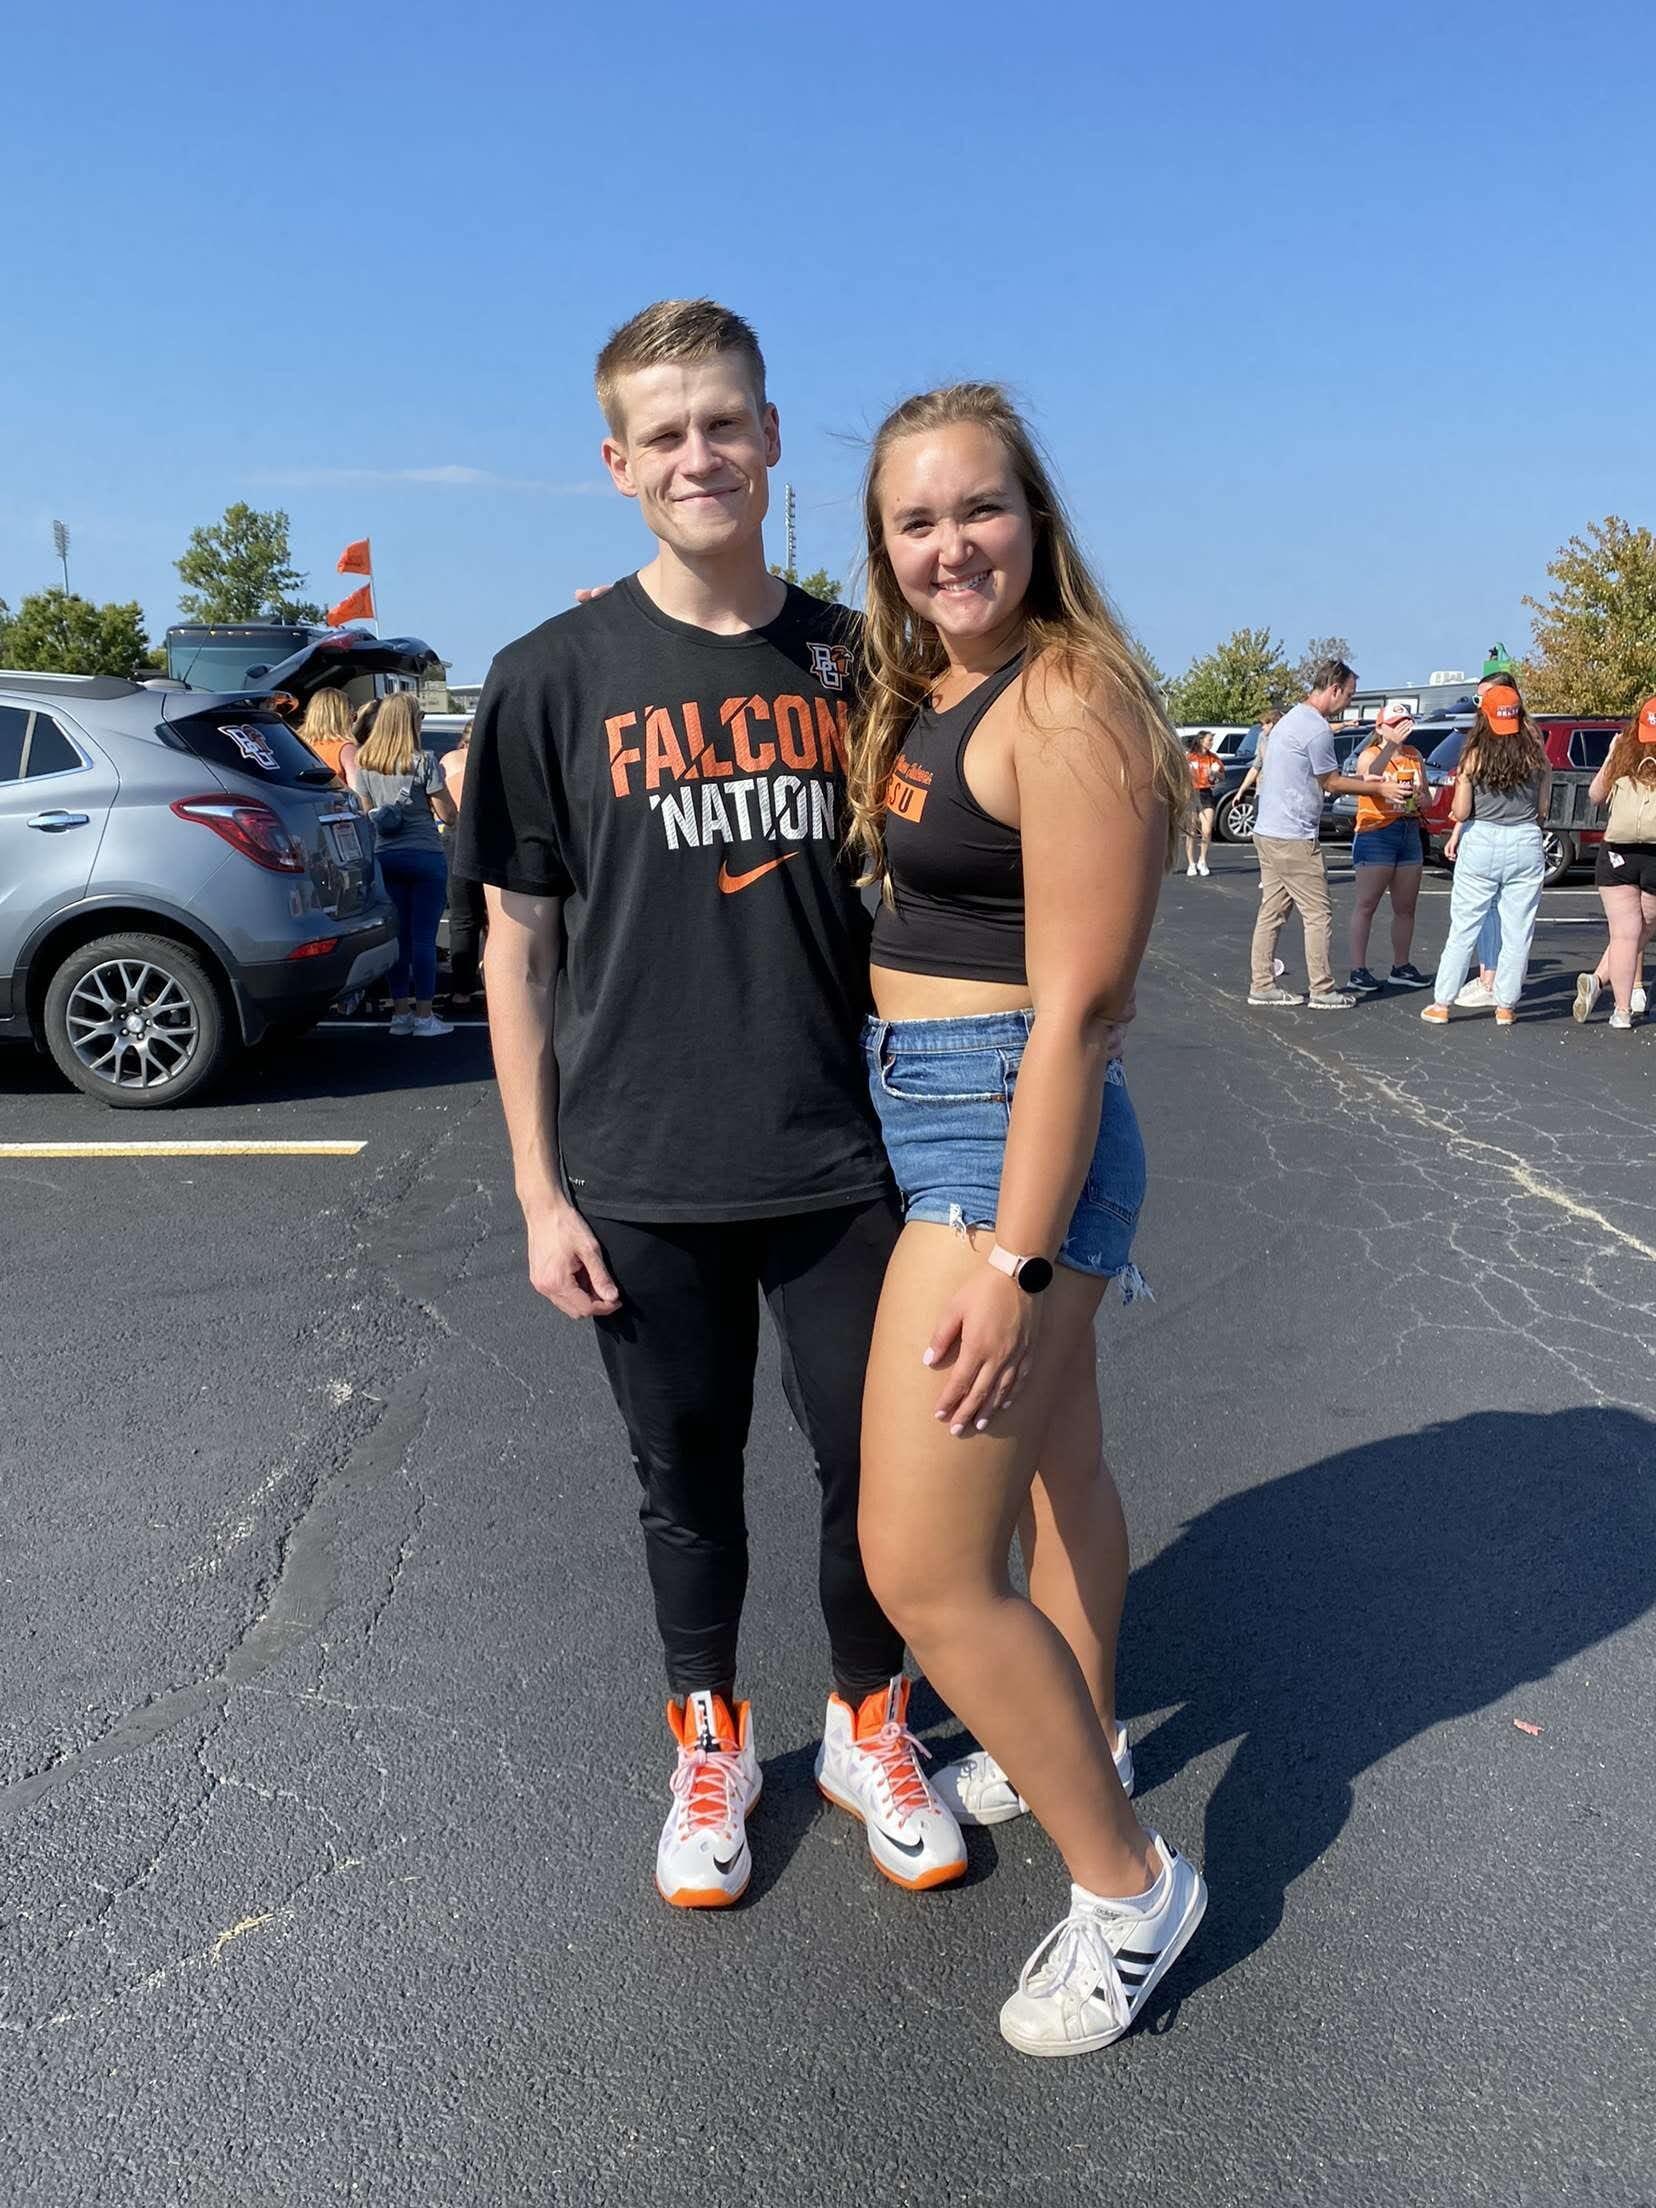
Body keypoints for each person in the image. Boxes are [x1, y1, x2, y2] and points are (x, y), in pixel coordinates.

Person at [450, 299, 965, 1912]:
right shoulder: (548, 677)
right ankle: (712, 1742)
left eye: (724, 423)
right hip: (639, 1167)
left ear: (772, 437)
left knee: (876, 1469)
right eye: (664, 434)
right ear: (617, 464)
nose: (699, 456)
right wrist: (538, 1190)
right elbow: (517, 949)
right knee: (684, 1477)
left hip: (845, 1153)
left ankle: (868, 1723)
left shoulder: (863, 661)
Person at [846, 380, 1205, 2059]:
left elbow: (1078, 1009)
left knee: (922, 1568)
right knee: (1063, 1473)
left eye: (978, 507)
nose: (951, 545)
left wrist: (1010, 1258)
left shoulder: (1063, 697)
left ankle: (1131, 1890)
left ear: (1035, 515)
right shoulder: (937, 684)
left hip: (1003, 1142)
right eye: (915, 520)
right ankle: (1091, 1735)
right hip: (950, 1111)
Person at [1246, 660, 1394, 1010]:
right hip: (1293, 835)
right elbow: (1331, 782)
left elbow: (1316, 776)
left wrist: (1365, 781)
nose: (1350, 702)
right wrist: (1379, 789)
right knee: (1318, 913)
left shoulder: (1290, 720)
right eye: (1350, 695)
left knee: (1273, 911)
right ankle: (1323, 990)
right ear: (1334, 689)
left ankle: (1262, 984)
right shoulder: (1316, 728)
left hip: (1268, 830)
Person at [1420, 684, 1550, 1027]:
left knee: (1464, 926)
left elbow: (1462, 811)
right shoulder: (1536, 756)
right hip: (1525, 838)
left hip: (1482, 839)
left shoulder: (1473, 756)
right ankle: (1505, 1005)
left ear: (1484, 716)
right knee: (1518, 930)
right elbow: (1543, 809)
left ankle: (1442, 1003)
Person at [346, 694, 457, 1037]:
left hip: (386, 856)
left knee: (398, 940)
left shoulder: (365, 763)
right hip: (424, 854)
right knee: (424, 939)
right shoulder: (424, 761)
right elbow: (448, 815)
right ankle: (425, 1016)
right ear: (410, 722)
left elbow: (366, 814)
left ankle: (400, 1014)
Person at [1573, 697, 1656, 1029]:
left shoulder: (1623, 751)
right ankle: (1599, 980)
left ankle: (1621, 1011)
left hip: (1617, 854)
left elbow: (1595, 795)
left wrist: (1611, 754)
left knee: (1624, 935)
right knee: (1642, 931)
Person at [1347, 700, 1430, 992]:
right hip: (1376, 831)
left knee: (1405, 907)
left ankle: (1401, 965)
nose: (1401, 729)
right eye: (1394, 724)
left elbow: (1427, 795)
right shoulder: (1370, 754)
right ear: (1380, 727)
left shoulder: (1414, 755)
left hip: (1408, 828)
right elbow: (1370, 774)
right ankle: (1358, 969)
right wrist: (1390, 745)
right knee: (1367, 903)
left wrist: (1421, 799)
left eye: (1405, 723)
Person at [439, 719, 486, 1011]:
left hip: (457, 840)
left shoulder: (450, 761)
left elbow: (441, 807)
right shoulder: (498, 758)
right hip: (494, 839)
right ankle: (496, 987)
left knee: (462, 920)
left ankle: (461, 992)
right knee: (497, 923)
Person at [1183, 731, 1223, 876]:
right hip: (1191, 793)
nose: (1211, 743)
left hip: (1206, 793)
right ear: (1201, 741)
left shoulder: (1213, 758)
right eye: (1209, 740)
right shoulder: (1189, 757)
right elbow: (1181, 775)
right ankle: (1191, 863)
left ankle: (1202, 860)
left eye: (1212, 740)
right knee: (1191, 830)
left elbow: (1222, 776)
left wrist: (1215, 774)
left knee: (1207, 830)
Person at [296, 688, 355, 778]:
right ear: (343, 717)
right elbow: (358, 785)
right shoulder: (346, 750)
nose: (353, 721)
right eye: (353, 716)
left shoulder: (295, 744)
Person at [1232, 704, 1280, 809]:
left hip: (1278, 794)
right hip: (1262, 791)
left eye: (1264, 724)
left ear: (1271, 724)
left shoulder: (1285, 741)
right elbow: (1256, 767)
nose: (1262, 727)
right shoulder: (1262, 737)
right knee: (1256, 813)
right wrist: (1241, 791)